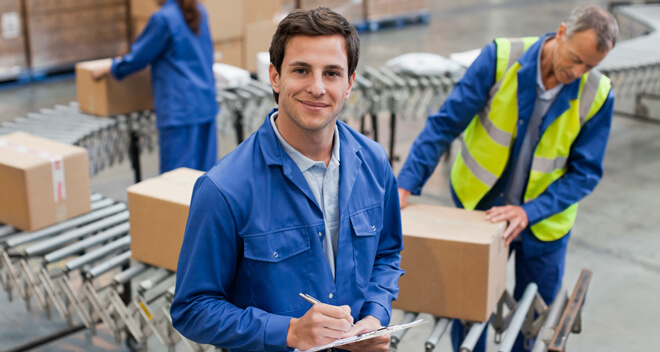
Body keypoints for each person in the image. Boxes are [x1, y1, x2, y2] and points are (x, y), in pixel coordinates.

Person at [170, 7, 404, 352]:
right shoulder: (224, 189)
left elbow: (386, 254)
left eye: (333, 73)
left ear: (350, 83)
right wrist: (288, 332)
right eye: (301, 70)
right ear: (275, 77)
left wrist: (373, 315)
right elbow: (192, 308)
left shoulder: (373, 162)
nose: (317, 87)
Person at [396, 5, 618, 352]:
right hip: (480, 211)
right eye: (574, 58)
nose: (577, 72)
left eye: (589, 66)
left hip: (542, 226)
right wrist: (405, 184)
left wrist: (530, 211)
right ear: (560, 32)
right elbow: (445, 124)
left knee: (530, 322)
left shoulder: (597, 94)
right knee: (467, 312)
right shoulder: (501, 59)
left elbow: (585, 173)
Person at [92, 0, 218, 173]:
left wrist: (112, 67)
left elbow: (139, 57)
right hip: (206, 104)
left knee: (176, 180)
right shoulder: (199, 11)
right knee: (206, 177)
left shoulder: (163, 19)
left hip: (180, 111)